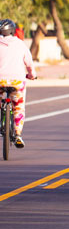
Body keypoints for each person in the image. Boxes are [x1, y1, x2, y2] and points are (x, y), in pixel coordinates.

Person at [0, 19, 36, 148]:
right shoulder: (20, 44)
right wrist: (32, 74)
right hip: (17, 81)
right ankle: (17, 133)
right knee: (18, 107)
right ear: (12, 30)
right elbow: (29, 64)